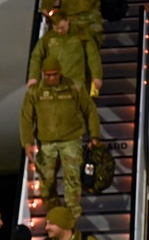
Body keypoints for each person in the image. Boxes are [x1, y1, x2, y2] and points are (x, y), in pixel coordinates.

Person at [21, 55, 101, 221]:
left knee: (72, 180)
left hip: (71, 140)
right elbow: (26, 117)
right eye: (47, 75)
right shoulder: (35, 92)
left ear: (60, 73)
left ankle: (72, 218)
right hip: (46, 143)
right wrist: (27, 143)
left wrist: (94, 135)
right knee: (46, 183)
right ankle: (55, 216)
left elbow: (90, 110)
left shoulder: (74, 87)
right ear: (43, 74)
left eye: (54, 74)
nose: (51, 78)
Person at [28, 9, 102, 94]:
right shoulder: (48, 38)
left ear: (67, 21)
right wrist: (33, 77)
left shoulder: (81, 35)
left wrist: (96, 76)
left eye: (62, 28)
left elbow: (93, 56)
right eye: (56, 28)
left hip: (76, 85)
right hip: (54, 85)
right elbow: (36, 57)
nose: (60, 31)